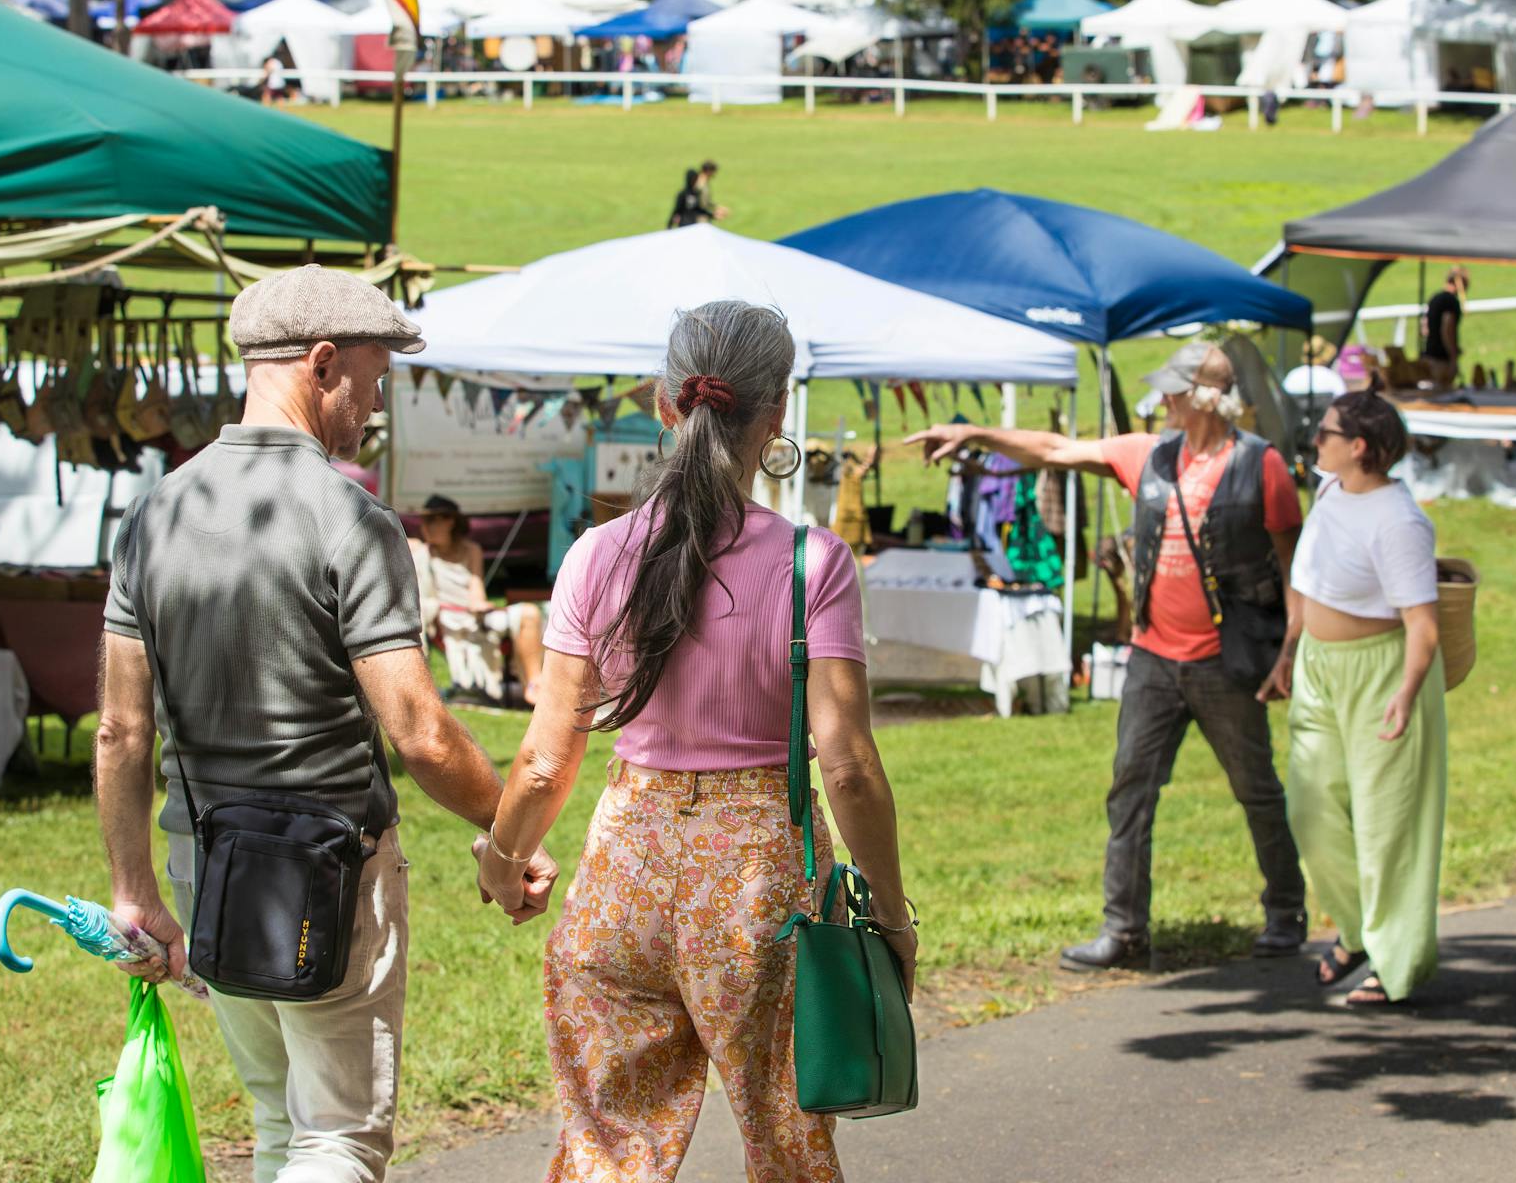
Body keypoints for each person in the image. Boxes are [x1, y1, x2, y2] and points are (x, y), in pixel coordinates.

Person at [94, 265, 557, 1183]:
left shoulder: (153, 512)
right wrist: (508, 836)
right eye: (375, 378)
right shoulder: (351, 516)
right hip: (328, 865)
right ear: (320, 363)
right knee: (337, 1134)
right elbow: (418, 729)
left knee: (278, 1122)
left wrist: (135, 887)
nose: (375, 405)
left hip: (204, 858)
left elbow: (120, 729)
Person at [478, 300, 913, 1181]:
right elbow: (851, 768)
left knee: (608, 1148)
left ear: (665, 405)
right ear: (777, 413)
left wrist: (502, 856)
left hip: (623, 874)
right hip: (761, 891)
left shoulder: (597, 554)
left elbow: (545, 757)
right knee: (787, 1144)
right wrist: (893, 918)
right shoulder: (810, 562)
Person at [905, 343, 1308, 971]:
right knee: (1129, 793)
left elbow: (1294, 570)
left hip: (1226, 661)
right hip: (1152, 658)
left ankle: (1286, 914)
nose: (1164, 400)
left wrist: (1288, 652)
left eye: (1175, 390)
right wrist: (972, 433)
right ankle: (1124, 932)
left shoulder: (1263, 467)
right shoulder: (1149, 453)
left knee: (1256, 789)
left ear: (1203, 397)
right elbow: (1054, 450)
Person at [1275, 381, 1444, 1008]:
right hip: (1321, 668)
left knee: (1386, 824)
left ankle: (1398, 961)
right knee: (1310, 806)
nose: (1316, 438)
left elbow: (1422, 625)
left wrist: (1406, 691)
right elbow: (1315, 583)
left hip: (1381, 673)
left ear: (1361, 448)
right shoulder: (1331, 489)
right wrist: (1291, 651)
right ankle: (1356, 929)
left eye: (1327, 432)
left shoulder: (1400, 523)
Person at [410, 494, 510, 706]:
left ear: (450, 521)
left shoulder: (471, 550)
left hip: (472, 615)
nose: (425, 526)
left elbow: (476, 591)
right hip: (444, 617)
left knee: (527, 615)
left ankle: (531, 686)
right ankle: (466, 686)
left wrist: (479, 606)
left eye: (432, 520)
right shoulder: (421, 551)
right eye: (424, 521)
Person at [1422, 267, 1471, 385]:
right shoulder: (1450, 302)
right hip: (1442, 360)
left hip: (1429, 356)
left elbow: (1424, 329)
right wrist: (1453, 356)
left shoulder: (1434, 298)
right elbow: (1447, 328)